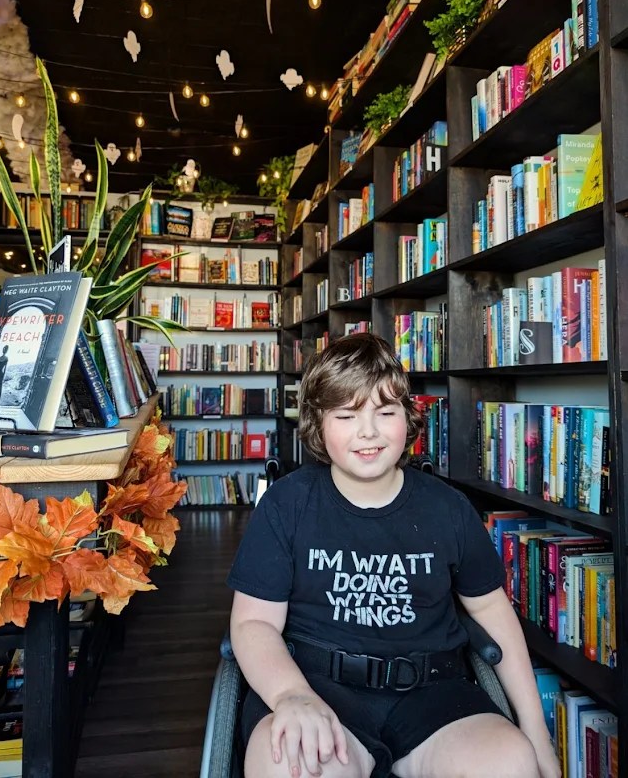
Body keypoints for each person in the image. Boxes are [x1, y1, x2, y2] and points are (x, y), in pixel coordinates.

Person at [227, 333, 560, 778]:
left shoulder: (448, 508)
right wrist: (291, 694)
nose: (368, 431)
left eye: (385, 412)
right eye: (346, 415)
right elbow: (253, 623)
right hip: (317, 685)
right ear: (318, 423)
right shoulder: (286, 505)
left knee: (511, 762)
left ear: (408, 417)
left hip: (434, 694)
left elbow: (492, 611)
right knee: (290, 763)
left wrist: (535, 729)